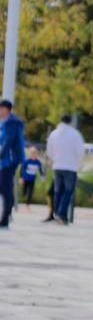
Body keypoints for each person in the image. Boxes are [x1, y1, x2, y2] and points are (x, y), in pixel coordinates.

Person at [45, 113, 85, 223]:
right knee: (68, 191)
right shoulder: (75, 134)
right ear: (70, 121)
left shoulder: (54, 134)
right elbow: (80, 151)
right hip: (71, 167)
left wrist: (56, 159)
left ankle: (56, 212)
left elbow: (49, 151)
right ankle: (62, 214)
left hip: (57, 166)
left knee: (57, 191)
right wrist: (79, 164)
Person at [0, 98, 23, 229]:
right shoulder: (7, 122)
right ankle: (6, 215)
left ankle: (5, 218)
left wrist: (1, 155)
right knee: (5, 188)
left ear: (6, 109)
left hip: (8, 161)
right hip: (5, 160)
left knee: (5, 189)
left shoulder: (11, 123)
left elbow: (8, 142)